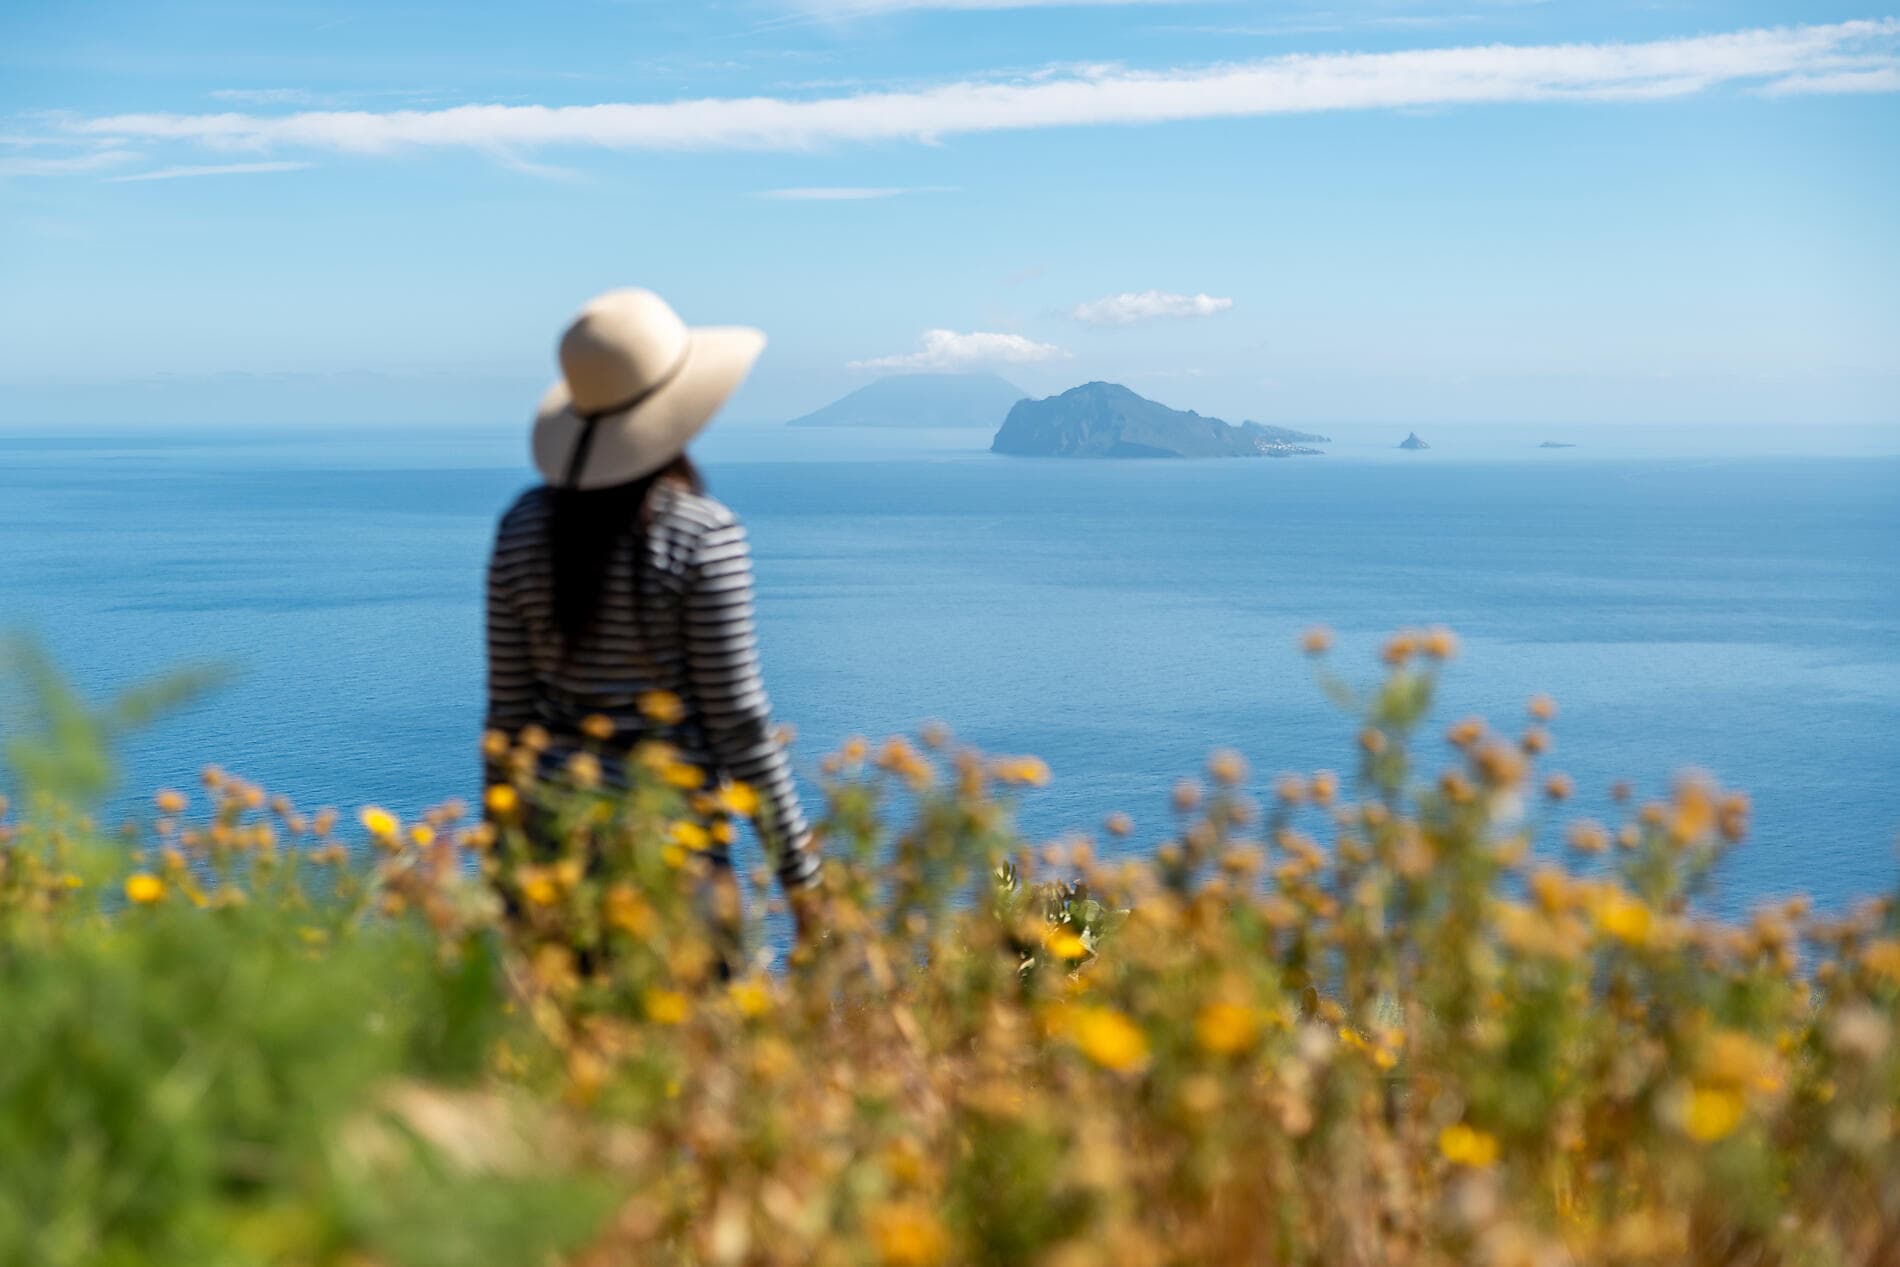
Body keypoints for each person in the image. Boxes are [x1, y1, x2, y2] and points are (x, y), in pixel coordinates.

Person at [482, 288, 822, 944]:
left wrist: (503, 869)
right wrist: (801, 878)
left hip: (552, 853)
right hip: (672, 857)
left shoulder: (522, 527)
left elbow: (507, 720)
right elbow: (741, 727)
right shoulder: (700, 533)